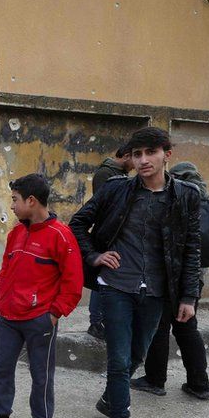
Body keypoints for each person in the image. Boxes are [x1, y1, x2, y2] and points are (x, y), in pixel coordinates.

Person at [70, 127, 202, 418]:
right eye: (136, 154)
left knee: (137, 355)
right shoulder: (116, 190)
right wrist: (94, 256)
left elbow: (191, 249)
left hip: (157, 291)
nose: (142, 160)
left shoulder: (186, 195)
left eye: (149, 153)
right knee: (117, 359)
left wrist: (188, 297)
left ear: (166, 154)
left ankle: (110, 399)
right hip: (116, 286)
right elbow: (77, 223)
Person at [0, 174, 83, 418]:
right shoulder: (16, 233)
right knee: (0, 368)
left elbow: (73, 281)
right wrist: (0, 289)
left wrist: (55, 312)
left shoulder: (61, 235)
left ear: (31, 201)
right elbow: (6, 268)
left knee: (41, 373)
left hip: (40, 320)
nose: (11, 206)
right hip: (9, 317)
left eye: (15, 200)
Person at [131, 162, 209, 400]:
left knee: (159, 327)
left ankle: (155, 379)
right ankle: (200, 383)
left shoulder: (179, 199)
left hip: (171, 277)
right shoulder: (205, 201)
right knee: (187, 329)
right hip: (194, 278)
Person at [87, 146, 135, 340]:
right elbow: (105, 206)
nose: (137, 163)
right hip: (107, 234)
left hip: (115, 233)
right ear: (125, 156)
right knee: (101, 279)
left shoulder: (119, 174)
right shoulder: (106, 174)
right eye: (135, 156)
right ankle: (96, 322)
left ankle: (103, 320)